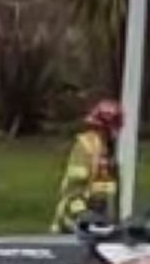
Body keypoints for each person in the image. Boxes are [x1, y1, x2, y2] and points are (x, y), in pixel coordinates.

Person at [52, 99, 122, 234]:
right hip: (75, 224)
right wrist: (81, 213)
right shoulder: (86, 146)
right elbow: (73, 188)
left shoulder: (106, 148)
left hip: (99, 221)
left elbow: (106, 188)